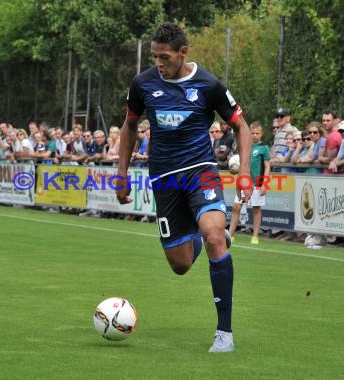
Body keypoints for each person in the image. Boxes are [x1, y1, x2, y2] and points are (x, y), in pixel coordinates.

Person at [115, 22, 252, 353]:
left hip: (200, 171)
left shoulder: (208, 84)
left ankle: (224, 333)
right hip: (164, 179)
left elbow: (242, 126)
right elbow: (129, 127)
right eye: (155, 57)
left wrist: (244, 171)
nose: (159, 63)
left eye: (165, 57)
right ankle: (204, 233)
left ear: (183, 52)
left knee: (215, 235)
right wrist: (121, 173)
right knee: (180, 265)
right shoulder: (143, 84)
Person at [228, 121, 270, 245]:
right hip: (244, 182)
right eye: (252, 133)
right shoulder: (245, 146)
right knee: (236, 207)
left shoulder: (264, 148)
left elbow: (267, 167)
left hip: (257, 183)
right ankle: (230, 235)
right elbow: (239, 163)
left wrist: (264, 184)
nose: (254, 135)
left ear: (261, 134)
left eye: (257, 133)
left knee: (256, 209)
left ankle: (255, 236)